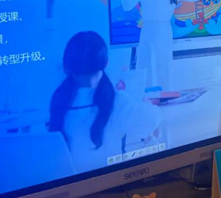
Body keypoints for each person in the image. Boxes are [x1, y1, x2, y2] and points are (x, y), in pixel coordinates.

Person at [49, 32, 161, 174]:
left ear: (67, 67)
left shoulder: (58, 101)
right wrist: (148, 105)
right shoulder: (118, 101)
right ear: (106, 62)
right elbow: (153, 120)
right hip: (110, 182)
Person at [122, 0, 221, 90]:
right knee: (147, 71)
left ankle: (165, 101)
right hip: (148, 33)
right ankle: (147, 102)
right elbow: (126, 5)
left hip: (165, 33)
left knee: (164, 72)